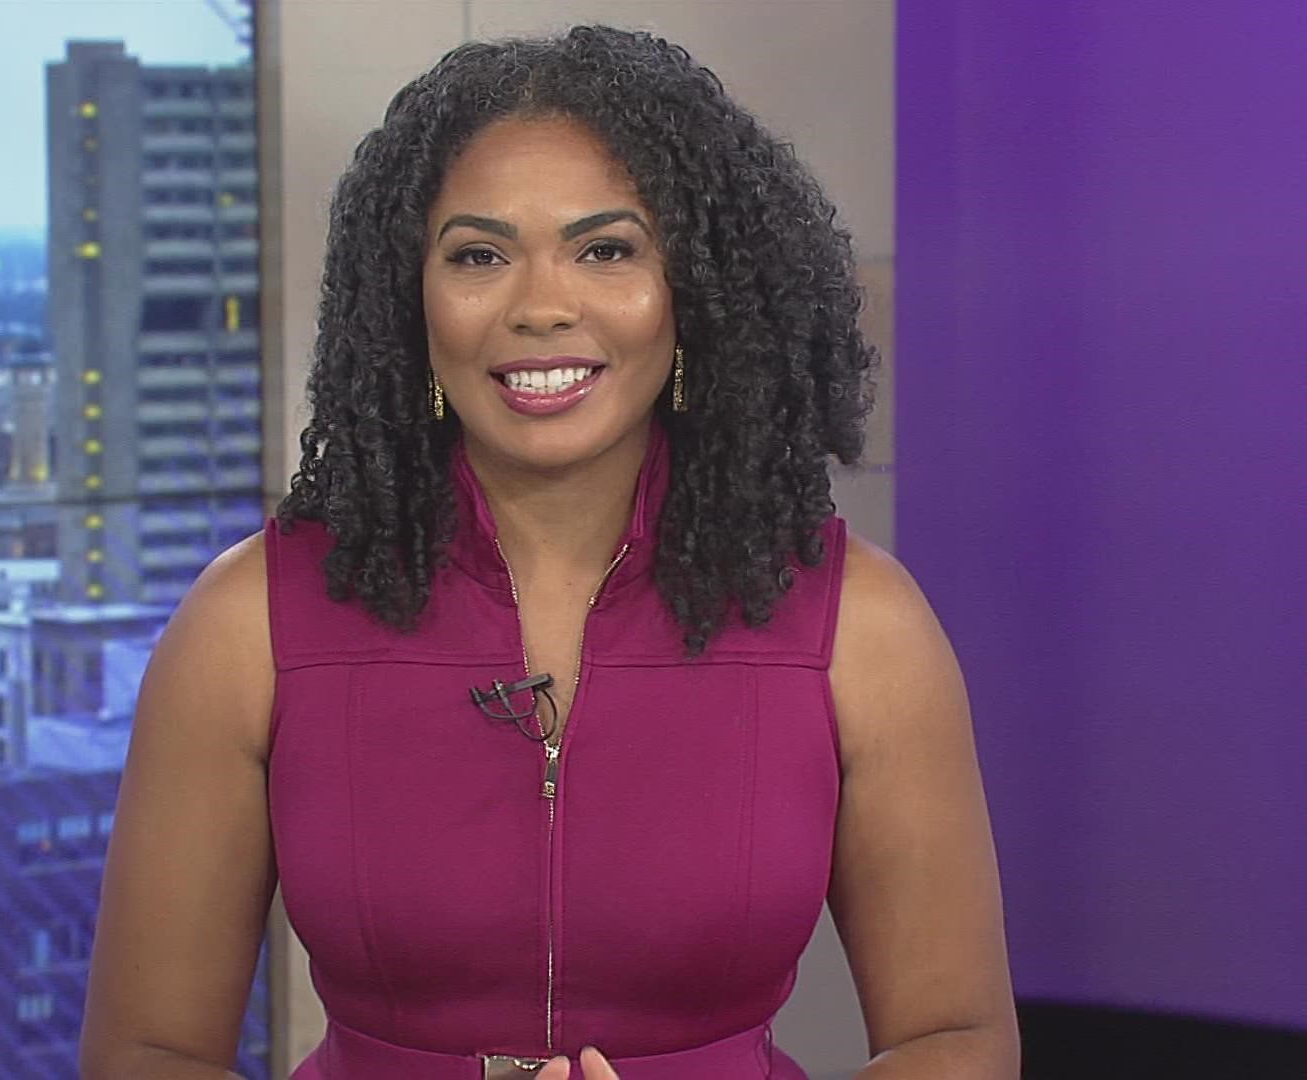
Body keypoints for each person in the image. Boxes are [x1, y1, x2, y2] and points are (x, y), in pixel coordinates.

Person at [79, 25, 1017, 1080]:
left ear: (693, 292)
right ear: (409, 299)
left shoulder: (865, 630)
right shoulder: (247, 623)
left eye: (607, 249)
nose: (540, 306)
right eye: (478, 255)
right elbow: (149, 1051)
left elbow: (954, 1040)